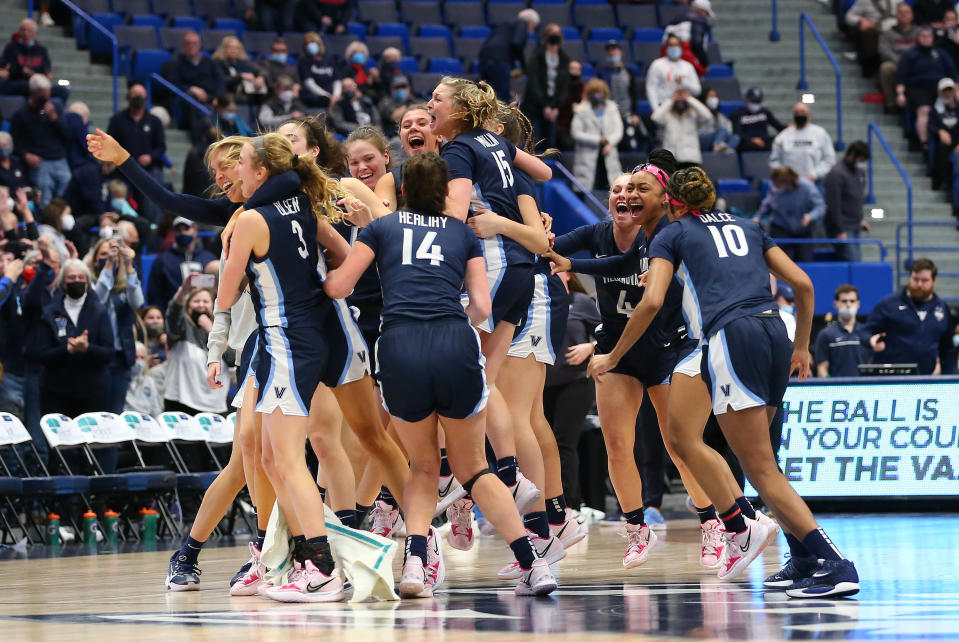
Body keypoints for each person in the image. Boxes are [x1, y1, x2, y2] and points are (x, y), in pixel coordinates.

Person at [587, 166, 860, 597]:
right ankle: (800, 555)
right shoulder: (750, 226)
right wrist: (803, 347)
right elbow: (805, 285)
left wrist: (613, 355)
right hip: (775, 331)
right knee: (690, 438)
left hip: (731, 336)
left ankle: (829, 561)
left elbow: (652, 301)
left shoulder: (672, 235)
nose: (635, 195)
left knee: (755, 465)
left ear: (672, 202)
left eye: (645, 189)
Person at [324, 151, 558, 598]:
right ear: (446, 192)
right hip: (453, 341)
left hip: (400, 346)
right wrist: (452, 323)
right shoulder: (461, 234)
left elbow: (340, 286)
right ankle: (534, 566)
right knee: (473, 467)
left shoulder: (380, 227)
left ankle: (414, 566)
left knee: (423, 466)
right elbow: (483, 308)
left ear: (405, 190)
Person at [545, 158, 725, 570]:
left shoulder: (663, 235)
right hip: (615, 349)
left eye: (634, 189)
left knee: (679, 447)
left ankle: (712, 524)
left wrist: (574, 264)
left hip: (665, 347)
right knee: (618, 445)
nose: (624, 195)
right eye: (617, 190)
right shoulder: (596, 233)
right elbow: (551, 249)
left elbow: (621, 266)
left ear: (654, 200)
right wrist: (535, 229)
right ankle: (636, 529)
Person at [218, 133, 348, 602]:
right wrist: (323, 287)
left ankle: (323, 566)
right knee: (273, 459)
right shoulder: (303, 206)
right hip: (290, 340)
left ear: (259, 173)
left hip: (289, 341)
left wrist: (233, 247)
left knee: (289, 460)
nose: (233, 172)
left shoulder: (252, 219)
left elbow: (226, 295)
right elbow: (345, 257)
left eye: (241, 164)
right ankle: (300, 559)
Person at [429, 77, 553, 516]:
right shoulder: (494, 142)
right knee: (484, 376)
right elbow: (545, 171)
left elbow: (453, 213)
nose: (430, 104)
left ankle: (491, 474)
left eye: (437, 99)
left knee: (467, 372)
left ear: (460, 110)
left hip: (496, 264)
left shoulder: (459, 148)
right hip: (519, 269)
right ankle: (503, 480)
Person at [30, 258, 112, 428]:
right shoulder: (49, 313)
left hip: (93, 391)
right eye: (72, 277)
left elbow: (108, 353)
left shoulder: (99, 311)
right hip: (56, 391)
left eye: (81, 278)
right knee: (61, 450)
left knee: (92, 448)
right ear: (63, 283)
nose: (77, 281)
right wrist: (67, 350)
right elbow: (41, 353)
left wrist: (87, 348)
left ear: (88, 283)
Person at [542, 272, 599, 516]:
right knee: (543, 445)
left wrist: (591, 347)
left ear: (567, 274)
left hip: (575, 381)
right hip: (542, 382)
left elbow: (609, 332)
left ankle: (569, 504)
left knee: (563, 442)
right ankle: (546, 504)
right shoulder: (539, 300)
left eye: (557, 267)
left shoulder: (582, 301)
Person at [867, 258, 958, 374]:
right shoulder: (888, 304)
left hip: (925, 380)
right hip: (890, 379)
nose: (919, 284)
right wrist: (871, 340)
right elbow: (866, 332)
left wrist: (948, 378)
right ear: (910, 278)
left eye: (924, 280)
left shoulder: (942, 308)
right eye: (915, 279)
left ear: (934, 281)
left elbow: (947, 347)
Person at [86, 236, 143, 418]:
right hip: (97, 358)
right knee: (97, 412)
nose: (108, 256)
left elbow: (138, 302)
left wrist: (129, 265)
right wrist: (109, 264)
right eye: (102, 254)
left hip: (120, 358)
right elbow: (97, 302)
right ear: (95, 259)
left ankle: (113, 448)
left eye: (111, 253)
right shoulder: (87, 284)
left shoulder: (125, 284)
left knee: (115, 414)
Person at [164, 277, 227, 415]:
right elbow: (173, 314)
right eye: (196, 301)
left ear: (213, 306)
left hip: (215, 405)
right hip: (181, 402)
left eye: (205, 301)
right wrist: (184, 290)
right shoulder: (182, 328)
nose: (201, 305)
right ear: (187, 306)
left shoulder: (223, 329)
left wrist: (211, 330)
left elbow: (232, 358)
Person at [107, 84, 166, 223]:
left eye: (141, 95)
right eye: (135, 94)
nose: (138, 98)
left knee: (151, 206)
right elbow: (110, 143)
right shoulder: (117, 120)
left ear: (146, 98)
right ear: (128, 97)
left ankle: (151, 235)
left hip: (148, 170)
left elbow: (161, 148)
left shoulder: (154, 121)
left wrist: (150, 157)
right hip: (123, 171)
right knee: (121, 207)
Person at [10, 75, 71, 208]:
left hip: (59, 158)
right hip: (39, 161)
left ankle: (61, 219)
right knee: (45, 193)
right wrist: (26, 155)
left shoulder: (55, 109)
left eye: (48, 94)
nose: (46, 98)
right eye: (43, 95)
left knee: (67, 187)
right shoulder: (21, 115)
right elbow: (14, 143)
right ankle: (46, 222)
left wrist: (55, 118)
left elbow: (68, 135)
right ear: (33, 93)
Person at [895, 26, 957, 146]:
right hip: (918, 87)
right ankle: (925, 144)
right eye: (923, 36)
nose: (926, 39)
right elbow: (901, 75)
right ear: (918, 38)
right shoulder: (910, 54)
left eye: (929, 36)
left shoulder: (941, 53)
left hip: (941, 87)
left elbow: (952, 72)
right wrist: (900, 93)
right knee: (924, 110)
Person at [374, 104, 440, 210]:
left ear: (439, 135)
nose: (413, 128)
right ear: (402, 143)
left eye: (422, 123)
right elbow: (384, 222)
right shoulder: (389, 180)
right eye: (406, 126)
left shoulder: (458, 165)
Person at [756, 166, 826, 262]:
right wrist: (758, 217)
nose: (776, 187)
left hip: (802, 229)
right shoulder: (774, 187)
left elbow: (820, 206)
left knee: (805, 261)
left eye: (779, 184)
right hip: (781, 228)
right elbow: (767, 203)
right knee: (781, 262)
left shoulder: (807, 186)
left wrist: (810, 216)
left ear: (788, 182)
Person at [145, 217, 216, 309]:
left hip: (204, 310)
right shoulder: (163, 260)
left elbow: (216, 289)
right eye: (178, 230)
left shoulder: (208, 258)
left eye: (186, 229)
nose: (182, 233)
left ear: (194, 230)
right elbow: (154, 293)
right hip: (173, 313)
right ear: (173, 232)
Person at [523, 23, 571, 151]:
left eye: (557, 33)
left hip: (553, 108)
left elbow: (564, 86)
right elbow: (533, 83)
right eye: (552, 33)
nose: (555, 36)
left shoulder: (564, 59)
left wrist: (556, 107)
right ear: (545, 36)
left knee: (551, 143)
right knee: (536, 142)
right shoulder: (537, 56)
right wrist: (544, 105)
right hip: (536, 106)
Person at [571, 78, 624, 191]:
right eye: (594, 93)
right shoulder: (581, 109)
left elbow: (618, 130)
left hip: (608, 151)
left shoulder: (612, 108)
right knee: (584, 188)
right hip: (587, 154)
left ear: (604, 93)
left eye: (599, 92)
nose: (596, 95)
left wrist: (609, 142)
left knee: (611, 188)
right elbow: (576, 133)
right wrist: (597, 140)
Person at [823, 140, 871, 262]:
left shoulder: (859, 172)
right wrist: (839, 230)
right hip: (842, 228)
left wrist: (860, 219)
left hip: (855, 225)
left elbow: (856, 199)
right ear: (852, 155)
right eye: (861, 159)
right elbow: (833, 205)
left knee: (857, 261)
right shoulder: (836, 174)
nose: (862, 163)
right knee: (853, 261)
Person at [479, 8, 540, 102]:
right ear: (530, 23)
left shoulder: (505, 25)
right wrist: (523, 65)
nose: (531, 31)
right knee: (501, 101)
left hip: (485, 61)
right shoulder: (522, 23)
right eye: (534, 27)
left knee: (487, 98)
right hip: (499, 62)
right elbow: (517, 43)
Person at [0, 18, 66, 100]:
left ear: (35, 33)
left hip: (37, 83)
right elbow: (4, 70)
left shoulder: (42, 50)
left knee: (63, 90)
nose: (25, 33)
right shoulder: (11, 48)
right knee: (27, 86)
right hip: (17, 82)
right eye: (23, 30)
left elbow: (47, 73)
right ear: (19, 31)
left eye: (29, 30)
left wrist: (35, 75)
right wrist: (21, 71)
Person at [815, 284, 873, 377]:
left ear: (858, 304)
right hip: (837, 389)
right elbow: (822, 369)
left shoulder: (867, 333)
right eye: (844, 301)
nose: (848, 305)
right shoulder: (826, 334)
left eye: (852, 301)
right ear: (836, 304)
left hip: (864, 388)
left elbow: (871, 364)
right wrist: (829, 388)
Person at [769, 103, 836, 183]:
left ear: (809, 114)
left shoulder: (820, 134)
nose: (800, 115)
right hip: (789, 184)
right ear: (793, 115)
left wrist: (814, 175)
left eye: (803, 112)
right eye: (797, 113)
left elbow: (829, 160)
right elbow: (774, 161)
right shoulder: (783, 136)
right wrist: (784, 174)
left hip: (815, 183)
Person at [162, 32, 226, 108]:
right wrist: (190, 88)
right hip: (189, 99)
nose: (191, 46)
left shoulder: (210, 63)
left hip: (210, 96)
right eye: (188, 43)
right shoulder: (175, 64)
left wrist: (218, 97)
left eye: (194, 43)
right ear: (183, 46)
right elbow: (173, 85)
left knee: (229, 99)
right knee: (191, 97)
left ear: (200, 46)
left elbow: (220, 81)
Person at [652, 88, 712, 164]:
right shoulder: (668, 115)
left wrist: (689, 98)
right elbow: (655, 118)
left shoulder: (693, 115)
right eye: (677, 100)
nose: (680, 102)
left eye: (683, 100)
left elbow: (707, 116)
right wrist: (671, 100)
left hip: (690, 158)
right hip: (671, 159)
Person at [878, 4, 920, 112]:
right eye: (900, 12)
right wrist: (901, 60)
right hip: (896, 63)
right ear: (896, 15)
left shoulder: (919, 32)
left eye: (907, 12)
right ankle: (891, 104)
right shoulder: (888, 33)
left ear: (912, 15)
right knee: (886, 68)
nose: (904, 15)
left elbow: (923, 48)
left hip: (916, 63)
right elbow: (883, 50)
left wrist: (910, 61)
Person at [645, 34, 702, 110]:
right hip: (664, 106)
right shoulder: (657, 65)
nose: (674, 47)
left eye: (676, 45)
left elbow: (697, 91)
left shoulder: (688, 66)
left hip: (684, 108)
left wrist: (684, 82)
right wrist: (656, 110)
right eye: (671, 45)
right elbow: (651, 89)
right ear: (666, 48)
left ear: (681, 47)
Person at [845, 0, 898, 75]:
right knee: (868, 33)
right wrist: (861, 20)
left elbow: (905, 12)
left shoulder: (896, 1)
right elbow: (849, 17)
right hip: (874, 31)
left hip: (893, 31)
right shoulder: (864, 1)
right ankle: (871, 67)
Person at [662, 0, 715, 73]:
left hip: (667, 55)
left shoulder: (679, 17)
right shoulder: (699, 21)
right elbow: (697, 44)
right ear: (701, 10)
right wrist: (705, 64)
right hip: (687, 55)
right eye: (706, 13)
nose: (706, 16)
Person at [212, 36, 267, 105]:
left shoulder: (244, 62)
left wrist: (261, 77)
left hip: (244, 92)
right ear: (224, 49)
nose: (233, 50)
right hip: (226, 93)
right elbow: (222, 80)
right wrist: (241, 76)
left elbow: (261, 70)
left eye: (236, 48)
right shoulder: (218, 62)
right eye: (230, 47)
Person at [728, 87, 785, 152]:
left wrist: (789, 128)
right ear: (746, 99)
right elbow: (737, 133)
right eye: (753, 101)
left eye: (757, 101)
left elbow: (778, 126)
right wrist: (752, 139)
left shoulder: (764, 112)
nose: (755, 104)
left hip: (764, 141)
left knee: (778, 142)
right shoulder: (737, 113)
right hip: (747, 142)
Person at [929, 77, 959, 193]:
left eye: (950, 90)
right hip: (944, 143)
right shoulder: (936, 109)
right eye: (944, 91)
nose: (947, 94)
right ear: (939, 92)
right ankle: (943, 182)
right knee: (941, 148)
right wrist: (940, 131)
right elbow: (931, 126)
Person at [298, 33, 341, 109]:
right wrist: (327, 96)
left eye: (312, 42)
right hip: (316, 96)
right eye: (307, 43)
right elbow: (309, 83)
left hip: (332, 95)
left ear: (319, 44)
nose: (310, 45)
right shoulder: (304, 61)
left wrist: (336, 95)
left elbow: (337, 80)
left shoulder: (329, 60)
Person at [345, 126, 391, 192]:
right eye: (354, 163)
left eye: (369, 159)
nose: (362, 168)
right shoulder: (343, 200)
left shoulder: (405, 190)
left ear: (386, 156)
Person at [124, 341, 163, 418]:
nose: (139, 361)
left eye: (142, 358)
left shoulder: (149, 381)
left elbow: (155, 409)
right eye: (136, 357)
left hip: (147, 422)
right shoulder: (120, 381)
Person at [698, 87, 739, 153]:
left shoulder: (719, 115)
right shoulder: (699, 113)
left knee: (735, 137)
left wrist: (721, 137)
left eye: (715, 96)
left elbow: (728, 128)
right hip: (702, 140)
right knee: (722, 130)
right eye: (711, 96)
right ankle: (717, 147)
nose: (714, 99)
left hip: (717, 139)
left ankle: (725, 150)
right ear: (704, 98)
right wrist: (718, 136)